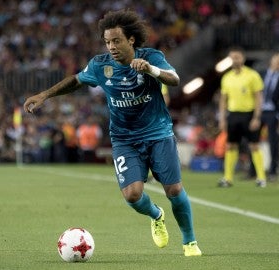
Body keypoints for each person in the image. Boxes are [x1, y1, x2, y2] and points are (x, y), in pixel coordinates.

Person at [23, 9, 202, 256]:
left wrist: (150, 69)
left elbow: (174, 79)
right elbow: (76, 80)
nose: (111, 47)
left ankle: (189, 242)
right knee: (132, 195)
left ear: (130, 40)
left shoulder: (151, 57)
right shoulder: (100, 65)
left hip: (158, 133)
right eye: (107, 42)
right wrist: (45, 95)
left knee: (173, 190)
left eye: (116, 41)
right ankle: (156, 215)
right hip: (124, 139)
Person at [218, 46, 267, 188]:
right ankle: (228, 178)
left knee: (254, 146)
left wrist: (257, 117)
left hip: (249, 114)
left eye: (237, 57)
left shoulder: (252, 75)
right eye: (232, 57)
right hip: (233, 115)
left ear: (243, 58)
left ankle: (261, 178)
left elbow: (258, 97)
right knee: (231, 145)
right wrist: (222, 119)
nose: (234, 60)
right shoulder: (226, 77)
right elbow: (223, 100)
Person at [247, 52, 279, 181]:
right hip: (259, 111)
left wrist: (278, 114)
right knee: (254, 140)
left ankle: (272, 171)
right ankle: (252, 171)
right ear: (271, 61)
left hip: (272, 113)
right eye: (277, 60)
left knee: (273, 143)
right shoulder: (261, 74)